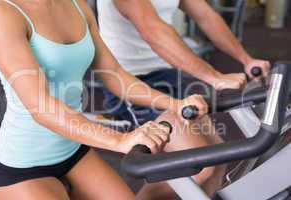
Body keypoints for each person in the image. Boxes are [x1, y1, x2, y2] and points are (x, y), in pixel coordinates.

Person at [0, 0, 208, 199]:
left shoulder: (77, 6)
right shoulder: (3, 14)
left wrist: (175, 104)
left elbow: (114, 74)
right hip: (24, 164)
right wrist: (120, 140)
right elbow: (40, 107)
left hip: (73, 149)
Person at [97, 0, 271, 199]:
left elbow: (206, 16)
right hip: (132, 83)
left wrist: (245, 59)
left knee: (217, 161)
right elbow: (152, 31)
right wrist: (214, 77)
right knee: (198, 168)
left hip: (170, 74)